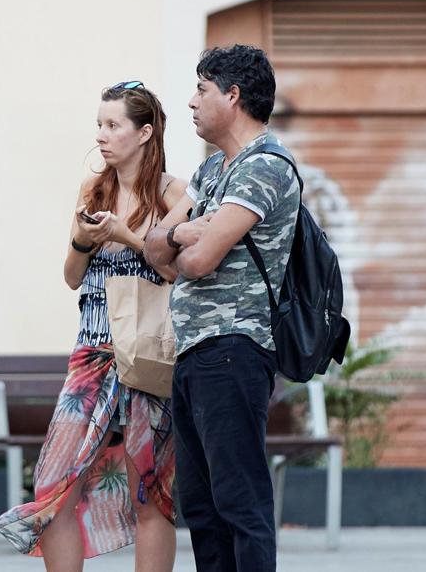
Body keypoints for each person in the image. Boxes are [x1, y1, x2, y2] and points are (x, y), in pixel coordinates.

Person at [0, 81, 185, 571]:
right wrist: (82, 241)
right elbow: (72, 277)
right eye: (99, 124)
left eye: (112, 125)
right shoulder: (92, 189)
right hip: (91, 352)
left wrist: (128, 236)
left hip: (147, 352)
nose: (101, 135)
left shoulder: (173, 193)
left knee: (150, 489)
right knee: (54, 484)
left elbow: (177, 272)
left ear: (143, 133)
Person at [144, 45, 299, 571]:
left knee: (239, 503)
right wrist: (185, 230)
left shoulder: (266, 167)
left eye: (202, 89)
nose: (190, 102)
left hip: (234, 348)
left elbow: (198, 262)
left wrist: (181, 239)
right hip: (195, 353)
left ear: (233, 96)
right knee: (203, 510)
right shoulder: (213, 170)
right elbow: (156, 251)